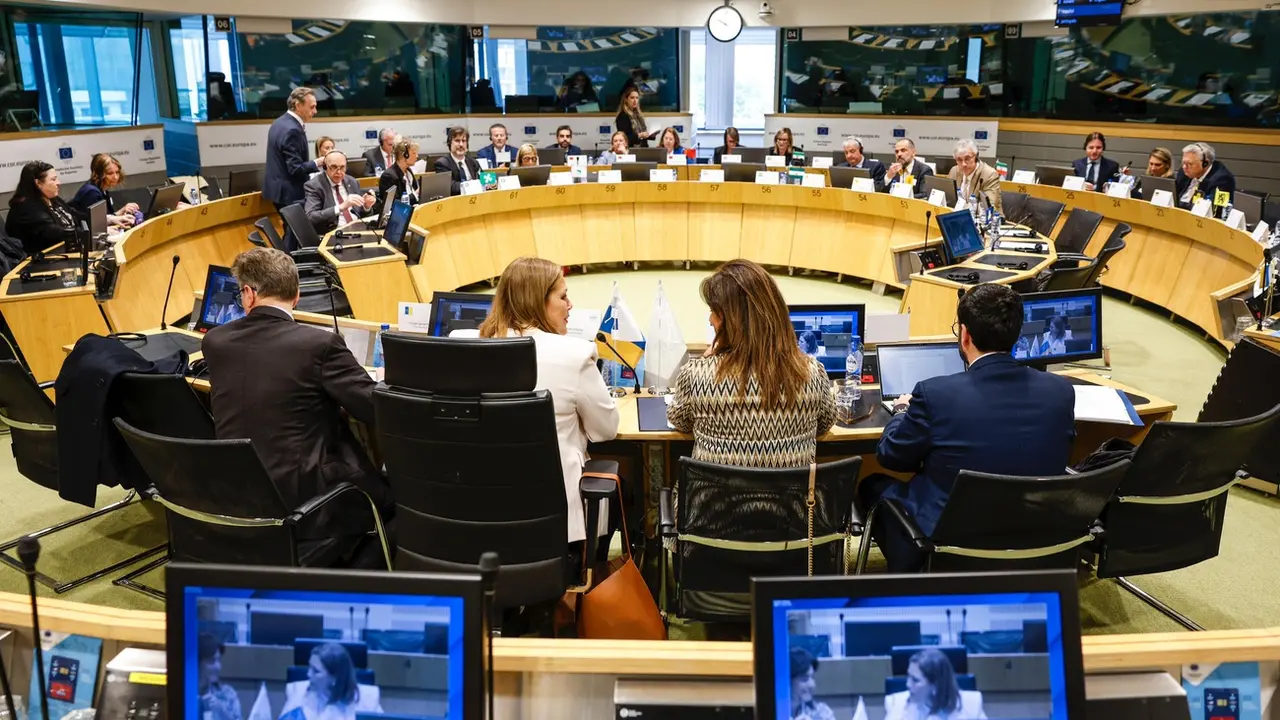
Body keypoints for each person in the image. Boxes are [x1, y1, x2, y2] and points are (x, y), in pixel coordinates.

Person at [859, 284, 1075, 572]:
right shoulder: (1060, 391)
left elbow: (891, 456)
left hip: (947, 542)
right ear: (1017, 333)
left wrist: (901, 411)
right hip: (1032, 533)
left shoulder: (935, 394)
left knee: (871, 485)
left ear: (964, 335)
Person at [201, 248, 391, 544]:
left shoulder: (215, 341)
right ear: (297, 294)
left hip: (235, 493)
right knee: (390, 495)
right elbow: (373, 408)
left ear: (249, 295)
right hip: (304, 499)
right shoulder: (320, 343)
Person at [469, 257, 619, 544]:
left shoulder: (470, 347)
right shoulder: (575, 354)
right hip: (559, 524)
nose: (570, 305)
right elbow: (605, 431)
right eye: (563, 296)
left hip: (486, 516)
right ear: (538, 302)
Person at [667, 259, 836, 467]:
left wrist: (705, 361)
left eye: (714, 312)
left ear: (732, 320)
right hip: (791, 500)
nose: (710, 319)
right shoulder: (813, 373)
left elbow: (679, 421)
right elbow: (825, 423)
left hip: (715, 499)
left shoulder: (696, 375)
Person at [263, 87, 320, 251]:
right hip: (290, 192)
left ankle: (286, 265)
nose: (315, 111)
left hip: (280, 190)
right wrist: (318, 162)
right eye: (312, 107)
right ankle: (287, 267)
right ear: (297, 105)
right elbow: (295, 168)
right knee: (295, 233)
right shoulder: (292, 129)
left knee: (292, 231)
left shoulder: (280, 122)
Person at [279, 643, 382, 720]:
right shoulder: (298, 692)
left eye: (316, 671)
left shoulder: (368, 699)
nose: (308, 674)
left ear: (335, 678)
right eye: (309, 667)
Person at [884, 648, 987, 720]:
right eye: (908, 676)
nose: (908, 684)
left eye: (915, 680)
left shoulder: (972, 704)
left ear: (936, 685)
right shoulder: (896, 704)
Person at [6, 162, 78, 256]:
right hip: (38, 261)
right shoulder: (26, 207)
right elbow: (53, 232)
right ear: (38, 183)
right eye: (53, 179)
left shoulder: (52, 198)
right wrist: (82, 233)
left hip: (61, 253)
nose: (58, 183)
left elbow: (74, 214)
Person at [303, 151, 376, 235]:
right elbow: (310, 217)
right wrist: (341, 207)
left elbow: (360, 214)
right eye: (334, 167)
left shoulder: (352, 181)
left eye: (342, 167)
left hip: (357, 230)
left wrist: (367, 206)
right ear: (325, 166)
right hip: (334, 234)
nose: (339, 172)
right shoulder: (314, 186)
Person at [70, 153, 143, 229]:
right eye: (110, 173)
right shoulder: (91, 193)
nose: (115, 177)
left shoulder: (101, 189)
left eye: (117, 172)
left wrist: (121, 212)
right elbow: (95, 225)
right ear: (98, 174)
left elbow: (105, 218)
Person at [1175, 142, 1235, 210]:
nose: (1184, 167)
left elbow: (1214, 210)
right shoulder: (1184, 172)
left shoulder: (1222, 180)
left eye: (1190, 164)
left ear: (1205, 163)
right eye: (1183, 162)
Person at [947, 139, 1002, 214]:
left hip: (989, 222)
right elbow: (948, 199)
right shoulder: (954, 171)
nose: (964, 164)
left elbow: (987, 208)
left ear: (976, 157)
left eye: (967, 159)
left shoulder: (989, 174)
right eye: (959, 160)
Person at [198, 633, 242, 720]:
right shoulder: (185, 695)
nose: (218, 666)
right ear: (198, 662)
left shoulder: (228, 694)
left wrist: (221, 711)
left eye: (218, 660)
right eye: (212, 661)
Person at [434, 126, 483, 196]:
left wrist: (491, 183)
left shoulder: (473, 162)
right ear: (450, 143)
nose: (461, 144)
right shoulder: (442, 163)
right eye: (457, 141)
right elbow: (450, 186)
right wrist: (473, 185)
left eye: (463, 141)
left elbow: (484, 179)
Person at [790, 647, 836, 720]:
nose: (812, 685)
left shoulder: (822, 713)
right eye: (804, 679)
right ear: (789, 680)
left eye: (813, 677)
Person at [378, 137, 421, 207]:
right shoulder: (388, 176)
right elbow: (394, 204)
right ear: (404, 155)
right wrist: (417, 193)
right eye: (414, 153)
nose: (417, 156)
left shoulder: (408, 171)